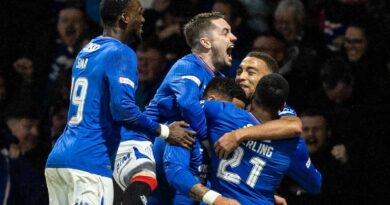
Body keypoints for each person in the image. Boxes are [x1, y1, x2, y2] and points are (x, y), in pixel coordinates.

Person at [45, 0, 194, 204]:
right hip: (89, 163)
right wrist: (167, 132)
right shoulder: (121, 52)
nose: (143, 19)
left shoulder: (88, 50)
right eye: (139, 13)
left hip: (60, 159)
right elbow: (123, 111)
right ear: (124, 18)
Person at [114, 12, 237, 205]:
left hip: (173, 150)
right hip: (139, 144)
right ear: (206, 42)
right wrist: (207, 141)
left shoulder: (219, 81)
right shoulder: (188, 65)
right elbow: (187, 103)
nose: (233, 37)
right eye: (225, 32)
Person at [205, 74, 321, 204]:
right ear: (283, 107)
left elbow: (187, 104)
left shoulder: (223, 113)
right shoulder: (291, 141)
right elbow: (315, 184)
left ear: (254, 95)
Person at [163, 77, 247, 205]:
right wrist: (216, 199)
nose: (236, 120)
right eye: (232, 111)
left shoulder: (227, 141)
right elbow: (176, 173)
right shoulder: (182, 129)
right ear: (210, 101)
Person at [214, 51, 302, 159]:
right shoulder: (226, 99)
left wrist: (238, 135)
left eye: (250, 73)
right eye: (239, 72)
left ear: (268, 80)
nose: (241, 77)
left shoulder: (275, 108)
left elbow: (294, 127)